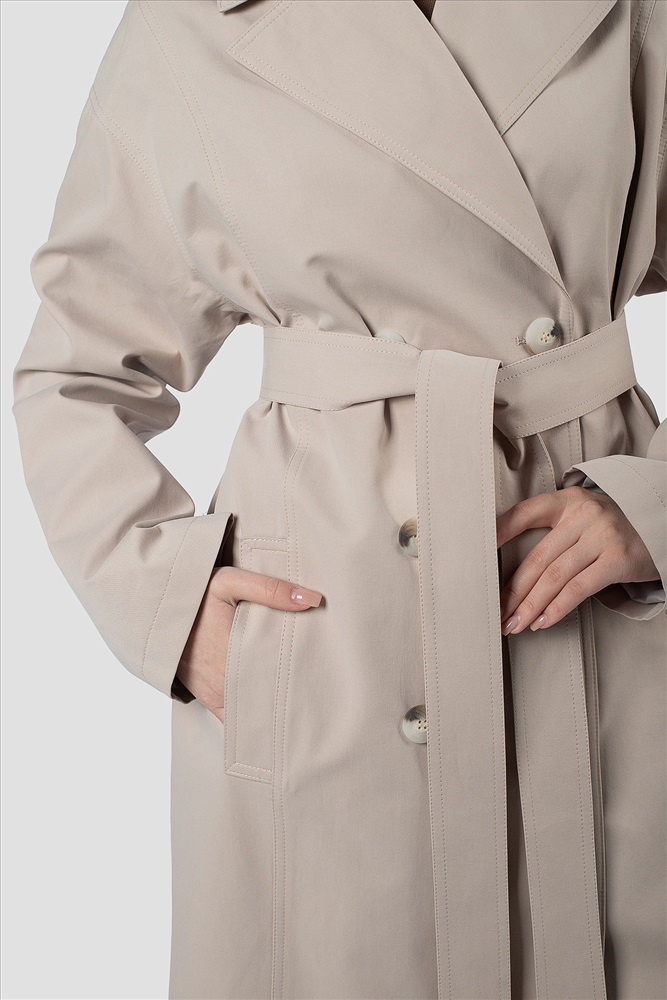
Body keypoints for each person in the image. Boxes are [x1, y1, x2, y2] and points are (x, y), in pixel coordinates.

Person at [12, 1, 667, 998]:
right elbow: (73, 372)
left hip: (581, 606)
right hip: (330, 632)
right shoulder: (191, 22)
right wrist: (172, 606)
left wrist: (653, 507)